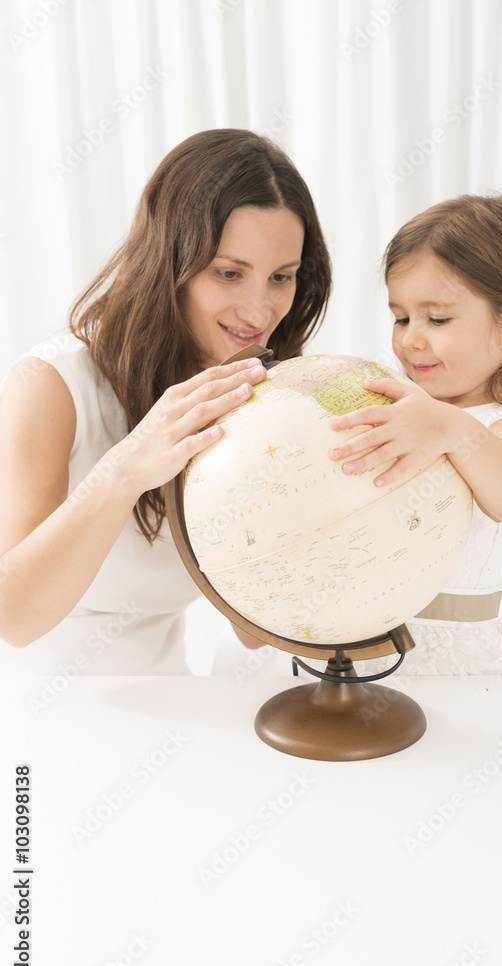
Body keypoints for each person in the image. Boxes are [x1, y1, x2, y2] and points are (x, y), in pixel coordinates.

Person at [0, 129, 332, 675]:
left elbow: (253, 633)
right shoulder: (52, 383)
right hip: (34, 719)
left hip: (167, 710)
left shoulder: (247, 393)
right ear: (168, 261)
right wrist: (129, 466)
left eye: (282, 277)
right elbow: (13, 618)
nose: (259, 309)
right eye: (229, 273)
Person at [329, 193, 502, 674]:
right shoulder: (402, 407)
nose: (411, 339)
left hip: (453, 657)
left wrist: (452, 428)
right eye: (401, 317)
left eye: (437, 319)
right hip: (359, 639)